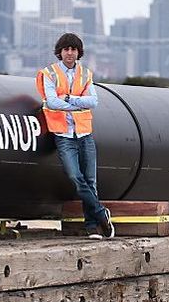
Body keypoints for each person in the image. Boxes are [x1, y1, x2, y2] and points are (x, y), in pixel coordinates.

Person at [36, 33, 114, 239]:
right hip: (63, 134)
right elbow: (51, 101)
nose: (69, 53)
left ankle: (91, 227)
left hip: (85, 134)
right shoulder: (49, 73)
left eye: (73, 49)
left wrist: (69, 99)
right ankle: (100, 213)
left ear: (79, 52)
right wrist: (78, 103)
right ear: (60, 52)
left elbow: (94, 102)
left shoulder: (85, 74)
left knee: (90, 180)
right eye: (66, 49)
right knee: (75, 177)